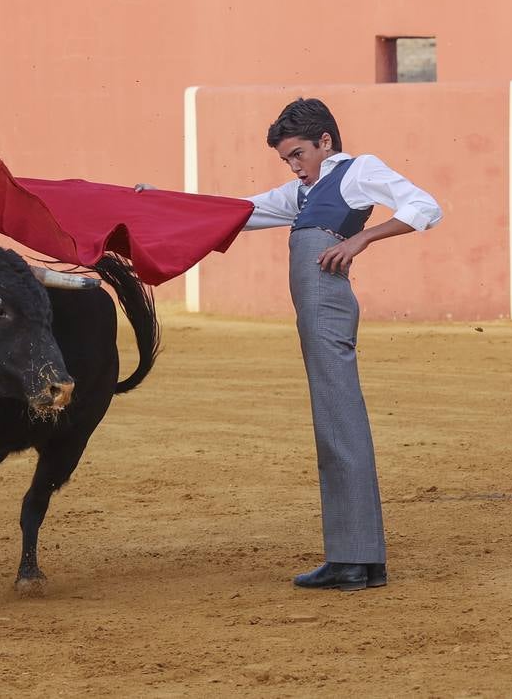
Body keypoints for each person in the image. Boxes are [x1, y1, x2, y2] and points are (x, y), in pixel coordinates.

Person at [140, 97, 441, 591]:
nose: (294, 166)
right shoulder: (303, 192)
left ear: (325, 141)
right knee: (336, 418)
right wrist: (161, 201)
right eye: (286, 160)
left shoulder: (358, 170)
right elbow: (239, 210)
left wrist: (360, 239)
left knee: (337, 419)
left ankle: (352, 560)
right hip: (316, 308)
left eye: (298, 154)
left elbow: (425, 206)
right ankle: (362, 559)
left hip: (327, 305)